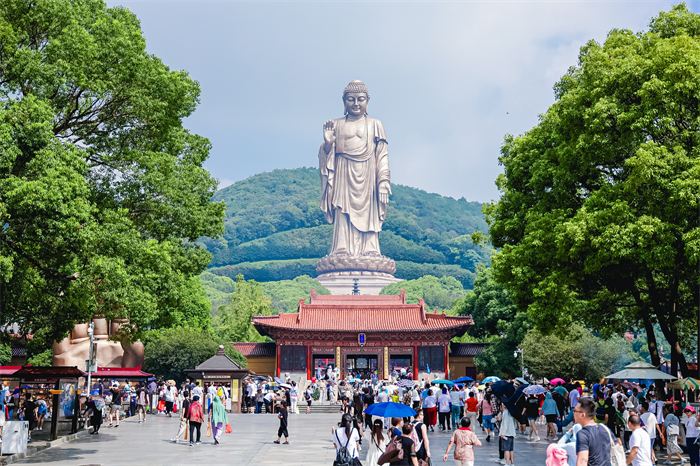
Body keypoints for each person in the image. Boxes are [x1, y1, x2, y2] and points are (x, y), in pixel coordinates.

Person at [574, 398, 612, 466]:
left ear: (583, 415)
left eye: (575, 411)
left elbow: (582, 461)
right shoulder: (606, 429)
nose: (573, 413)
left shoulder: (583, 434)